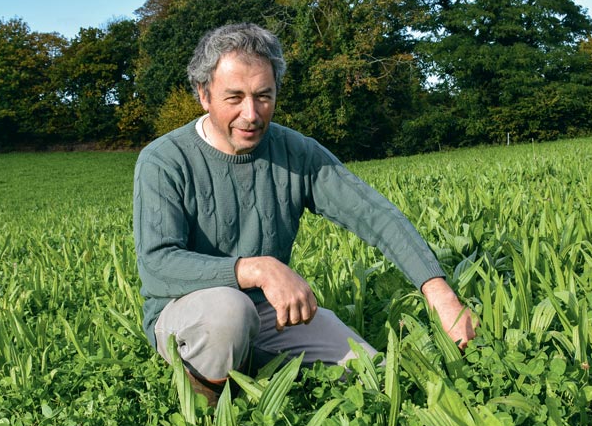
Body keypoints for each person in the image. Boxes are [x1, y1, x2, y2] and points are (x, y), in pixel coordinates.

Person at [133, 23, 474, 405]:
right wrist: (257, 269)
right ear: (203, 94)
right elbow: (157, 265)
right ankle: (210, 418)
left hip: (270, 314)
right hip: (187, 315)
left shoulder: (295, 151)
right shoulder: (164, 160)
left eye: (264, 96)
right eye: (235, 97)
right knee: (228, 312)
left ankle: (253, 362)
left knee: (373, 376)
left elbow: (375, 215)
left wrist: (440, 294)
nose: (251, 114)